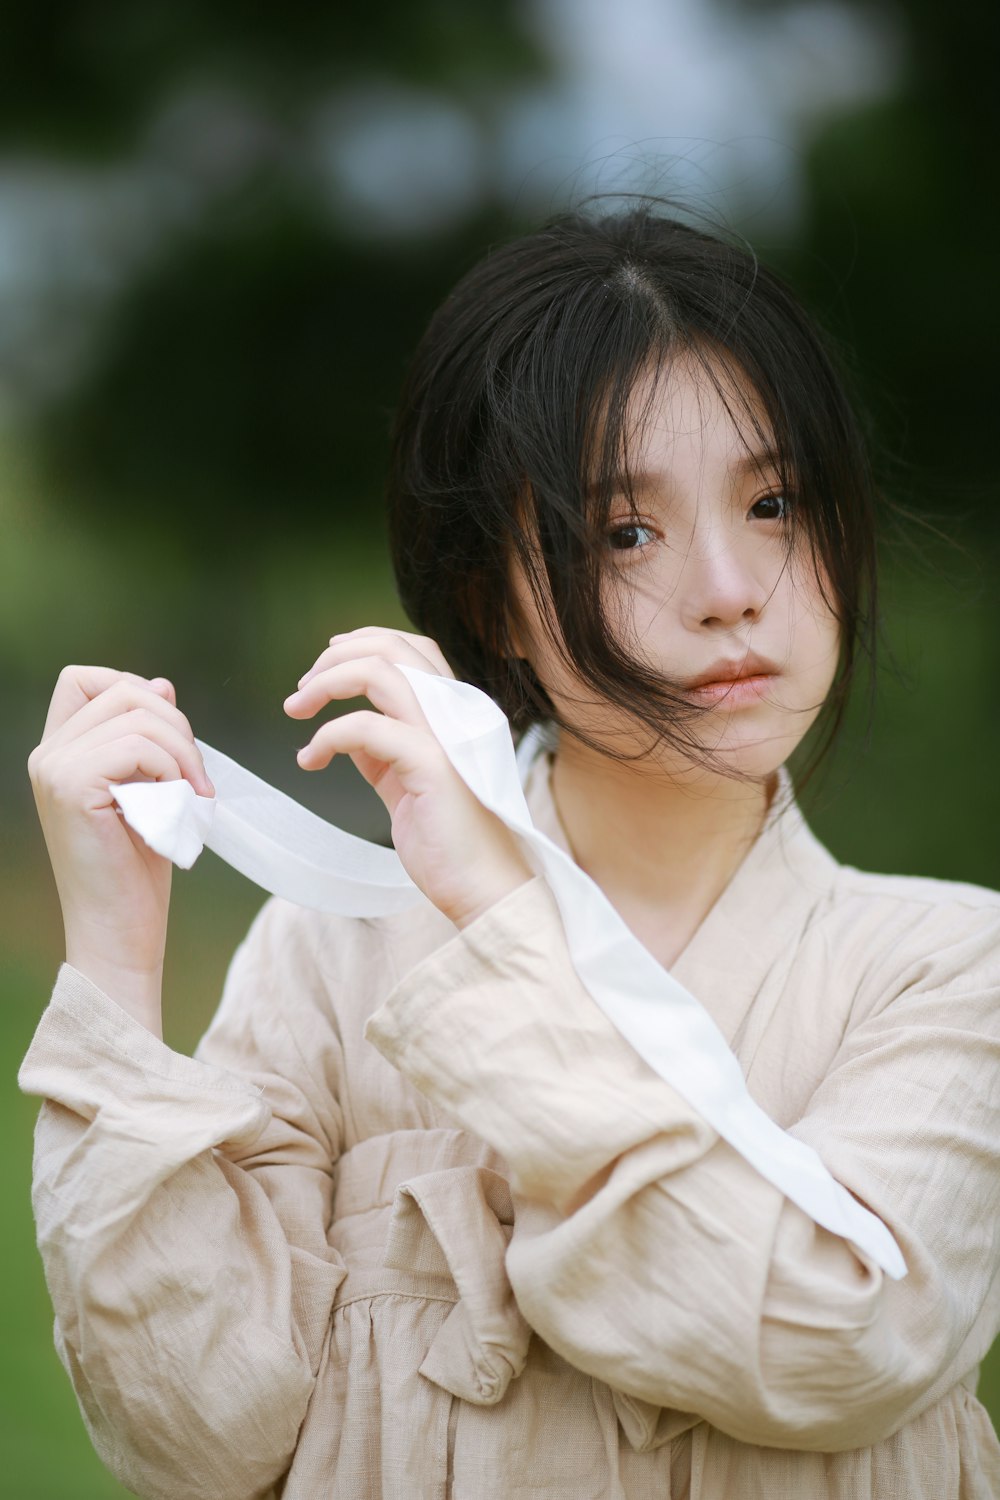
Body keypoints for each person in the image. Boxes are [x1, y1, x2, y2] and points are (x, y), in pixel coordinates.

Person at [20, 203, 1000, 1500]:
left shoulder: (946, 967)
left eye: (775, 503)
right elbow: (202, 1438)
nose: (730, 585)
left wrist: (498, 908)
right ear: (488, 592)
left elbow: (835, 1338)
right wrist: (114, 953)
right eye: (627, 531)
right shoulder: (334, 955)